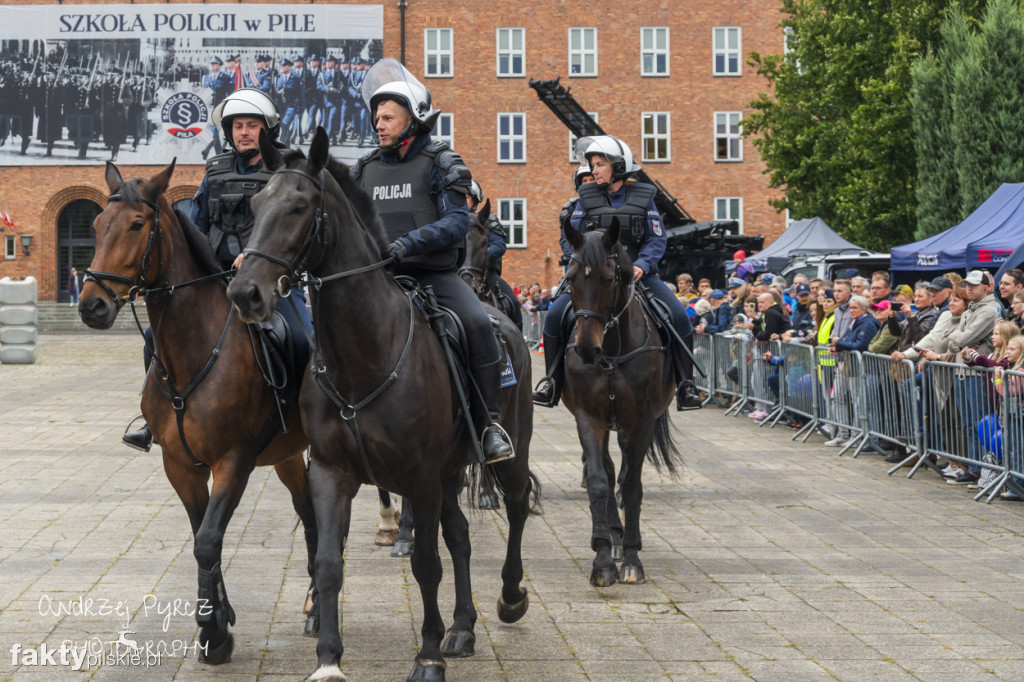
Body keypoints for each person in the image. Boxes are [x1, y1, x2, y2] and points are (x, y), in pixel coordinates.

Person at [121, 88, 313, 452]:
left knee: (302, 340)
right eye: (238, 126)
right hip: (216, 278)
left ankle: (310, 415)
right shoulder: (216, 170)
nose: (244, 132)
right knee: (153, 337)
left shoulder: (287, 168)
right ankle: (153, 418)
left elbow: (295, 228)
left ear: (266, 129)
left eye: (251, 125)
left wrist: (255, 259)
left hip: (272, 282)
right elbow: (196, 221)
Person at [350, 58, 513, 463]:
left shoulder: (442, 162)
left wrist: (407, 244)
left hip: (434, 275)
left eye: (388, 117)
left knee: (478, 323)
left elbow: (459, 221)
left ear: (413, 119)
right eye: (376, 117)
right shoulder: (363, 169)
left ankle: (489, 423)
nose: (379, 125)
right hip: (378, 279)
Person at [533, 134, 702, 411]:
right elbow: (570, 236)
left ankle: (686, 385)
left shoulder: (645, 198)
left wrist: (643, 265)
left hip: (639, 273)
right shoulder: (585, 197)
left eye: (599, 164)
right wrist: (580, 257)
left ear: (618, 166)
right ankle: (552, 382)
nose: (594, 170)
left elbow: (657, 238)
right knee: (553, 316)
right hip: (594, 275)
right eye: (593, 165)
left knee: (679, 317)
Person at [465, 179, 522, 331]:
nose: (462, 202)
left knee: (513, 303)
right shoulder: (450, 222)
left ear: (475, 200)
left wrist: (482, 256)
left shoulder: (488, 220)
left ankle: (519, 347)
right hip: (457, 273)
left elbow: (499, 245)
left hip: (485, 273)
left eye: (466, 198)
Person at [201, 56, 233, 160]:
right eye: (211, 64)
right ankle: (209, 151)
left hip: (220, 108)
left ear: (219, 65)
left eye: (214, 64)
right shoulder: (205, 78)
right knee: (214, 133)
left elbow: (230, 94)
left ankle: (217, 154)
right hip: (207, 109)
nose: (212, 65)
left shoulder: (225, 78)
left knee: (216, 132)